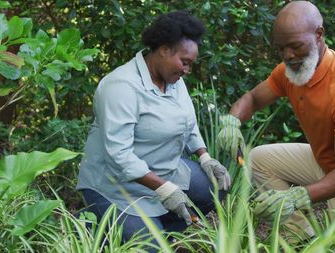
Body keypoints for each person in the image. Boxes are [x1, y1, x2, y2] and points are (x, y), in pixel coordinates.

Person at [217, 1, 335, 238]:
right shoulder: (290, 71)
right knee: (258, 159)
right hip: (328, 162)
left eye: (295, 46)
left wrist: (296, 196)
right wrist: (232, 122)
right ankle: (298, 230)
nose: (288, 56)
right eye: (281, 49)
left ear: (319, 34)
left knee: (334, 244)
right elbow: (253, 98)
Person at [77, 10, 230, 246]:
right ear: (163, 49)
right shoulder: (121, 87)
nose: (187, 70)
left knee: (215, 187)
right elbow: (119, 156)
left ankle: (156, 228)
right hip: (117, 187)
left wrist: (205, 157)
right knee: (151, 248)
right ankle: (97, 223)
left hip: (165, 172)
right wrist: (166, 190)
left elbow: (188, 124)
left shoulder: (173, 81)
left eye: (190, 64)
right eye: (184, 62)